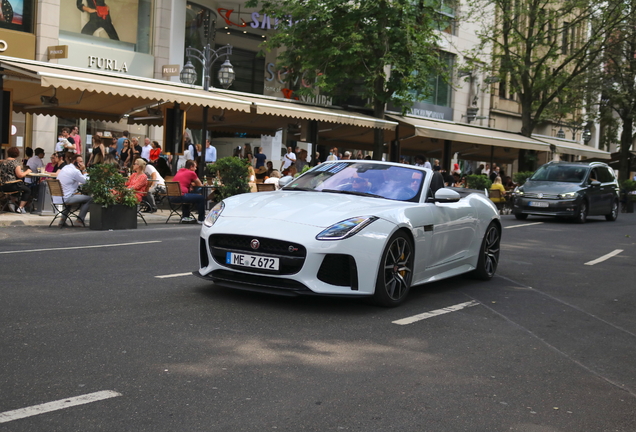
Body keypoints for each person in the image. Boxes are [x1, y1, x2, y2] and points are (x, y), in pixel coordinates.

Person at [55, 153, 92, 226]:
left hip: (57, 197)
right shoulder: (75, 171)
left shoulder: (65, 167)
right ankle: (79, 220)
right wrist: (84, 170)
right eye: (80, 162)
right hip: (66, 198)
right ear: (75, 161)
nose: (82, 163)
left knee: (72, 196)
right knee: (89, 199)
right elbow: (86, 181)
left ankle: (62, 220)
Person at [0, 146, 32, 213]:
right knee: (27, 190)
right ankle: (20, 208)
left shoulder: (2, 162)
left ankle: (11, 202)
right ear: (17, 154)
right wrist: (27, 171)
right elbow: (20, 175)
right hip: (12, 186)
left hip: (3, 186)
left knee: (20, 186)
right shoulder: (16, 163)